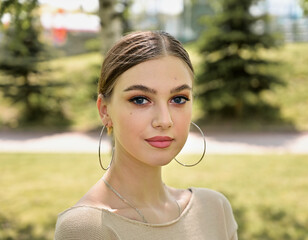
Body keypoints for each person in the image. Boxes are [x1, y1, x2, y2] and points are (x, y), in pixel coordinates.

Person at [54, 31, 238, 240]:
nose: (164, 120)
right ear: (105, 110)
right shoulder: (87, 228)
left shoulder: (214, 209)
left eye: (178, 99)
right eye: (140, 99)